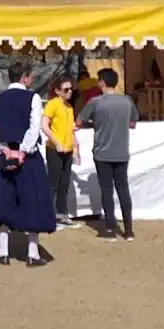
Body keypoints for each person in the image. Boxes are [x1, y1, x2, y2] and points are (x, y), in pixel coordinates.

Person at [0, 62, 56, 266]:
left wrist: (5, 148)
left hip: (5, 154)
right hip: (29, 157)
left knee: (4, 200)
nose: (32, 80)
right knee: (32, 201)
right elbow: (35, 127)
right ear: (24, 77)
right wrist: (23, 150)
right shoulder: (33, 98)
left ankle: (4, 251)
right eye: (30, 76)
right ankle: (32, 253)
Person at [77, 67, 139, 241]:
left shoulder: (96, 102)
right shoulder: (127, 101)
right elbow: (133, 122)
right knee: (123, 189)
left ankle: (110, 228)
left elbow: (79, 121)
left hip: (102, 152)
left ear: (102, 82)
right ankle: (128, 230)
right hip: (121, 151)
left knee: (107, 190)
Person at [42, 76, 81, 229]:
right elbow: (44, 125)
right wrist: (57, 142)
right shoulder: (52, 104)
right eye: (66, 89)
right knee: (53, 184)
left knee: (64, 184)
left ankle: (62, 214)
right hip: (54, 149)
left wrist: (76, 149)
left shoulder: (69, 107)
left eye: (71, 89)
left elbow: (71, 130)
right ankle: (48, 216)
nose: (70, 92)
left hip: (68, 150)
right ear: (57, 91)